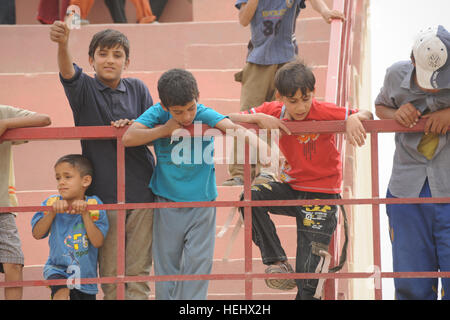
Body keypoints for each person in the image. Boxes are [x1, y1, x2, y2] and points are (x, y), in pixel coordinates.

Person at [228, 59, 372, 300]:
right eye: (292, 101)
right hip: (293, 189)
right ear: (281, 97)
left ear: (313, 93)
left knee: (308, 286)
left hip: (322, 196)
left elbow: (367, 113)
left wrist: (355, 118)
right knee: (249, 198)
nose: (300, 107)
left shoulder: (322, 110)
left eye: (305, 98)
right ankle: (277, 261)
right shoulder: (275, 111)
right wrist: (258, 119)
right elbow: (229, 118)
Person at [122, 68, 271, 300]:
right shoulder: (157, 113)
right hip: (167, 203)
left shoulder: (203, 112)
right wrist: (164, 130)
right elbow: (128, 137)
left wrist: (263, 148)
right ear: (165, 107)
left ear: (197, 98)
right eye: (178, 112)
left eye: (190, 108)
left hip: (202, 204)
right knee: (167, 268)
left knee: (198, 267)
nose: (187, 117)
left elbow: (232, 128)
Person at [50, 22, 155, 300]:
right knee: (110, 274)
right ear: (91, 60)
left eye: (117, 55)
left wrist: (134, 126)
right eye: (103, 54)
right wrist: (63, 44)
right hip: (104, 197)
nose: (110, 60)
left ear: (127, 61)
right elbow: (67, 72)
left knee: (138, 273)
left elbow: (154, 128)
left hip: (143, 192)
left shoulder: (138, 88)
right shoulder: (83, 89)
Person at [223, 0, 345, 186]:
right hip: (257, 61)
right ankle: (240, 173)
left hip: (287, 60)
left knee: (282, 116)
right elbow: (243, 19)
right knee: (248, 114)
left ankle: (269, 169)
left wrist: (325, 11)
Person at [375, 25, 450, 300]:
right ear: (412, 60)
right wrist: (396, 113)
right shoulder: (396, 75)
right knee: (412, 281)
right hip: (407, 190)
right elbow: (380, 107)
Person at [31, 154, 109, 300]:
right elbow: (37, 233)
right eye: (58, 178)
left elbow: (98, 241)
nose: (61, 182)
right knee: (61, 291)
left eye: (67, 177)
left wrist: (85, 214)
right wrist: (52, 213)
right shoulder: (51, 202)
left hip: (85, 277)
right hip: (57, 268)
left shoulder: (94, 205)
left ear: (85, 180)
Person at [0, 105, 51, 300]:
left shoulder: (2, 112)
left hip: (2, 206)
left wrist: (5, 124)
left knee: (13, 263)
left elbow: (44, 118)